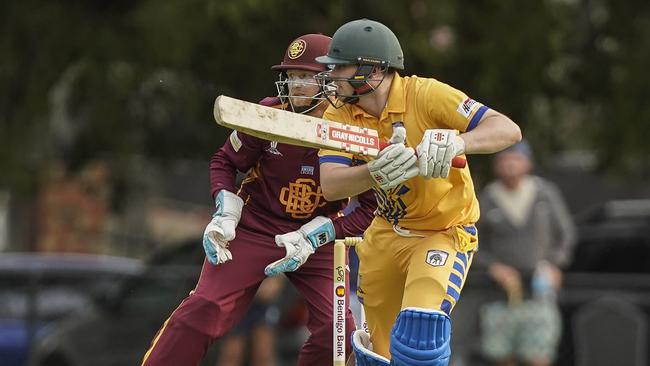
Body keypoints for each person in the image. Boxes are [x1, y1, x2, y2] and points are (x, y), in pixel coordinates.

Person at [140, 33, 376, 366]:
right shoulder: (268, 115)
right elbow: (225, 162)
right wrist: (225, 212)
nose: (295, 85)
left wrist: (318, 235)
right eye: (292, 76)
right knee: (205, 307)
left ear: (330, 82)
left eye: (306, 77)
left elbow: (368, 208)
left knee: (337, 331)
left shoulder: (353, 130)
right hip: (256, 226)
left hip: (317, 237)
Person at [309, 18, 522, 366]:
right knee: (376, 354)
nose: (331, 76)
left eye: (338, 67)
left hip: (442, 233)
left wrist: (457, 141)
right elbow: (332, 184)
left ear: (371, 69)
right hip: (384, 236)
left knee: (420, 334)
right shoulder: (339, 112)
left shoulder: (426, 94)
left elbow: (507, 129)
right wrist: (374, 172)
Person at [476, 140, 576, 366]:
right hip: (501, 294)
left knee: (538, 354)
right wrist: (493, 267)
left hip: (540, 290)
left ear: (528, 163)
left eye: (516, 158)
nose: (510, 164)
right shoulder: (488, 198)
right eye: (504, 159)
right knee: (502, 354)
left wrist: (554, 264)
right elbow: (471, 243)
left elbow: (566, 234)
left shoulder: (544, 194)